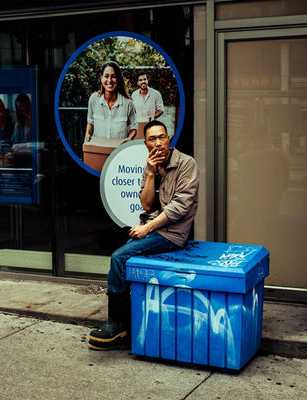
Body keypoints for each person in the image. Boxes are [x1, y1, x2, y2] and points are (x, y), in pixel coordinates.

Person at [88, 119, 200, 351]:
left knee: (119, 257)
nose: (158, 143)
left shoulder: (186, 164)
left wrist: (147, 228)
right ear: (145, 143)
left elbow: (179, 207)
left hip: (171, 234)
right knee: (114, 246)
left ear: (169, 139)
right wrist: (150, 172)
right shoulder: (149, 165)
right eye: (152, 139)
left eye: (162, 137)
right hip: (153, 227)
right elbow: (147, 205)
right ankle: (130, 318)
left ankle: (117, 324)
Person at [84, 61, 137, 144]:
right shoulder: (94, 99)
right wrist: (87, 134)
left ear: (118, 79)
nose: (109, 80)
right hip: (99, 149)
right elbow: (90, 122)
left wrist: (129, 138)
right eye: (106, 76)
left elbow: (133, 127)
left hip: (119, 150)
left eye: (113, 76)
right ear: (101, 78)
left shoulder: (128, 103)